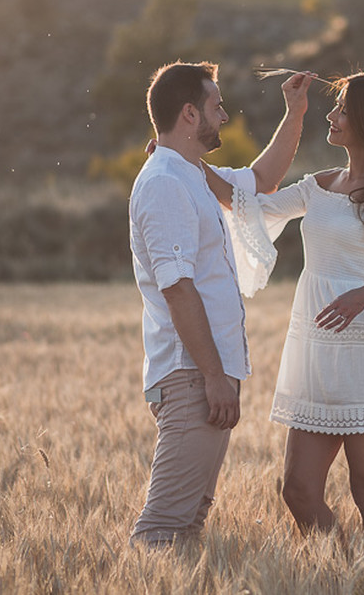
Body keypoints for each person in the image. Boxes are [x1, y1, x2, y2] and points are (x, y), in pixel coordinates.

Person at [205, 70, 364, 533]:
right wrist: (183, 159)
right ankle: (344, 570)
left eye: (343, 108)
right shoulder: (318, 185)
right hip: (313, 349)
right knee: (297, 490)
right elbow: (248, 205)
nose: (333, 114)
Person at [127, 60, 313, 547]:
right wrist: (212, 376)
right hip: (193, 375)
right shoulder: (166, 182)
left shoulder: (193, 174)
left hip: (206, 374)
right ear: (189, 114)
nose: (224, 117)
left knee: (187, 526)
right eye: (216, 106)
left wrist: (294, 113)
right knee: (164, 527)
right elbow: (178, 288)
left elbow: (261, 180)